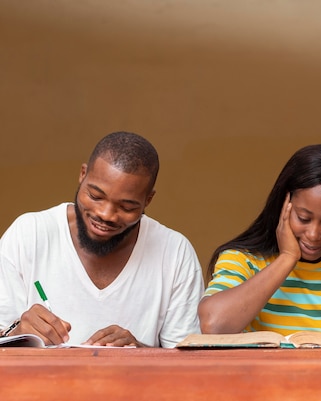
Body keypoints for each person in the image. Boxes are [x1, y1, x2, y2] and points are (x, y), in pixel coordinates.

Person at [0, 131, 204, 348]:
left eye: (127, 207)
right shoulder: (29, 234)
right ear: (83, 174)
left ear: (148, 199)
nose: (106, 214)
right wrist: (18, 331)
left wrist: (140, 351)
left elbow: (187, 364)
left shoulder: (174, 252)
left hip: (133, 383)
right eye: (95, 196)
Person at [198, 144, 321, 345]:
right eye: (303, 218)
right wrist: (287, 258)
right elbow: (213, 325)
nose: (313, 235)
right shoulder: (244, 260)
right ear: (284, 205)